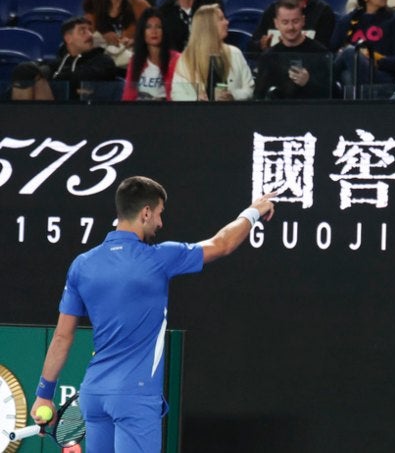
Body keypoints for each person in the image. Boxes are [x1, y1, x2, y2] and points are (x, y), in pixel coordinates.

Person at [28, 176, 275, 452]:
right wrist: (254, 211)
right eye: (159, 214)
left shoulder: (81, 265)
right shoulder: (159, 258)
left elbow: (62, 337)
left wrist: (44, 395)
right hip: (134, 396)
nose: (160, 223)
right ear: (146, 212)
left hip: (94, 394)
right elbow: (222, 244)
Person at [329, 0, 395, 98]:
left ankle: (322, 87)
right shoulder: (348, 21)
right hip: (353, 78)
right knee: (347, 75)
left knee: (350, 52)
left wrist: (376, 60)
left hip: (384, 77)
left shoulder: (393, 19)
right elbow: (331, 53)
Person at [173, 4, 254, 101]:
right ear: (208, 26)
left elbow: (250, 89)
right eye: (221, 19)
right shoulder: (187, 59)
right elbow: (178, 94)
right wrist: (196, 98)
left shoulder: (235, 53)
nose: (227, 22)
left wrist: (233, 95)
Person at [82, 0, 152, 69]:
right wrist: (103, 38)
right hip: (104, 63)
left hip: (135, 60)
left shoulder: (138, 4)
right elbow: (87, 40)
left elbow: (157, 28)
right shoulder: (93, 11)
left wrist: (136, 41)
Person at [49, 17, 117, 100]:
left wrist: (56, 78)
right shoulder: (59, 63)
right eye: (82, 31)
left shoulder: (104, 62)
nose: (90, 35)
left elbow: (85, 79)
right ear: (68, 38)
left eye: (90, 31)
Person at [122, 8, 180, 100]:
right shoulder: (135, 60)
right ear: (142, 32)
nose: (154, 31)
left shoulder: (176, 60)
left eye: (158, 27)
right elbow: (128, 96)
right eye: (148, 27)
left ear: (163, 31)